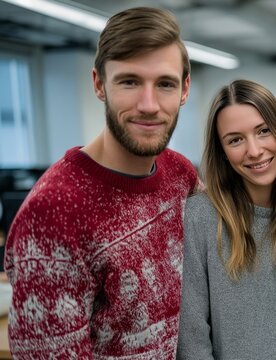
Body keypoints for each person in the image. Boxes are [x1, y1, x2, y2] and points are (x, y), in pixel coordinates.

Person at [4, 7, 198, 358]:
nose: (149, 104)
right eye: (129, 81)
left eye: (165, 84)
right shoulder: (53, 213)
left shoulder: (179, 174)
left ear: (184, 89)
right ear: (98, 84)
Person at [177, 79, 276, 359]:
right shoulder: (199, 217)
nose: (254, 150)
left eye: (263, 131)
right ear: (223, 152)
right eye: (235, 139)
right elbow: (191, 337)